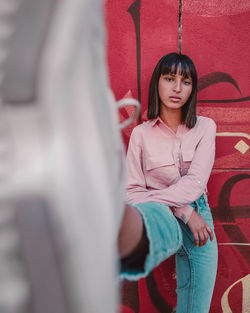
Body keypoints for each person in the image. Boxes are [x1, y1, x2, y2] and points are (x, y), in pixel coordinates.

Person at [118, 52, 218, 313]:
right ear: (157, 83)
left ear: (192, 88)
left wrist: (191, 211)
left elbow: (194, 185)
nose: (177, 88)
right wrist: (183, 212)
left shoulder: (205, 128)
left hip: (200, 217)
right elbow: (131, 191)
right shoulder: (141, 134)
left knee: (197, 307)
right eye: (169, 78)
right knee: (144, 228)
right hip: (162, 215)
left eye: (185, 81)